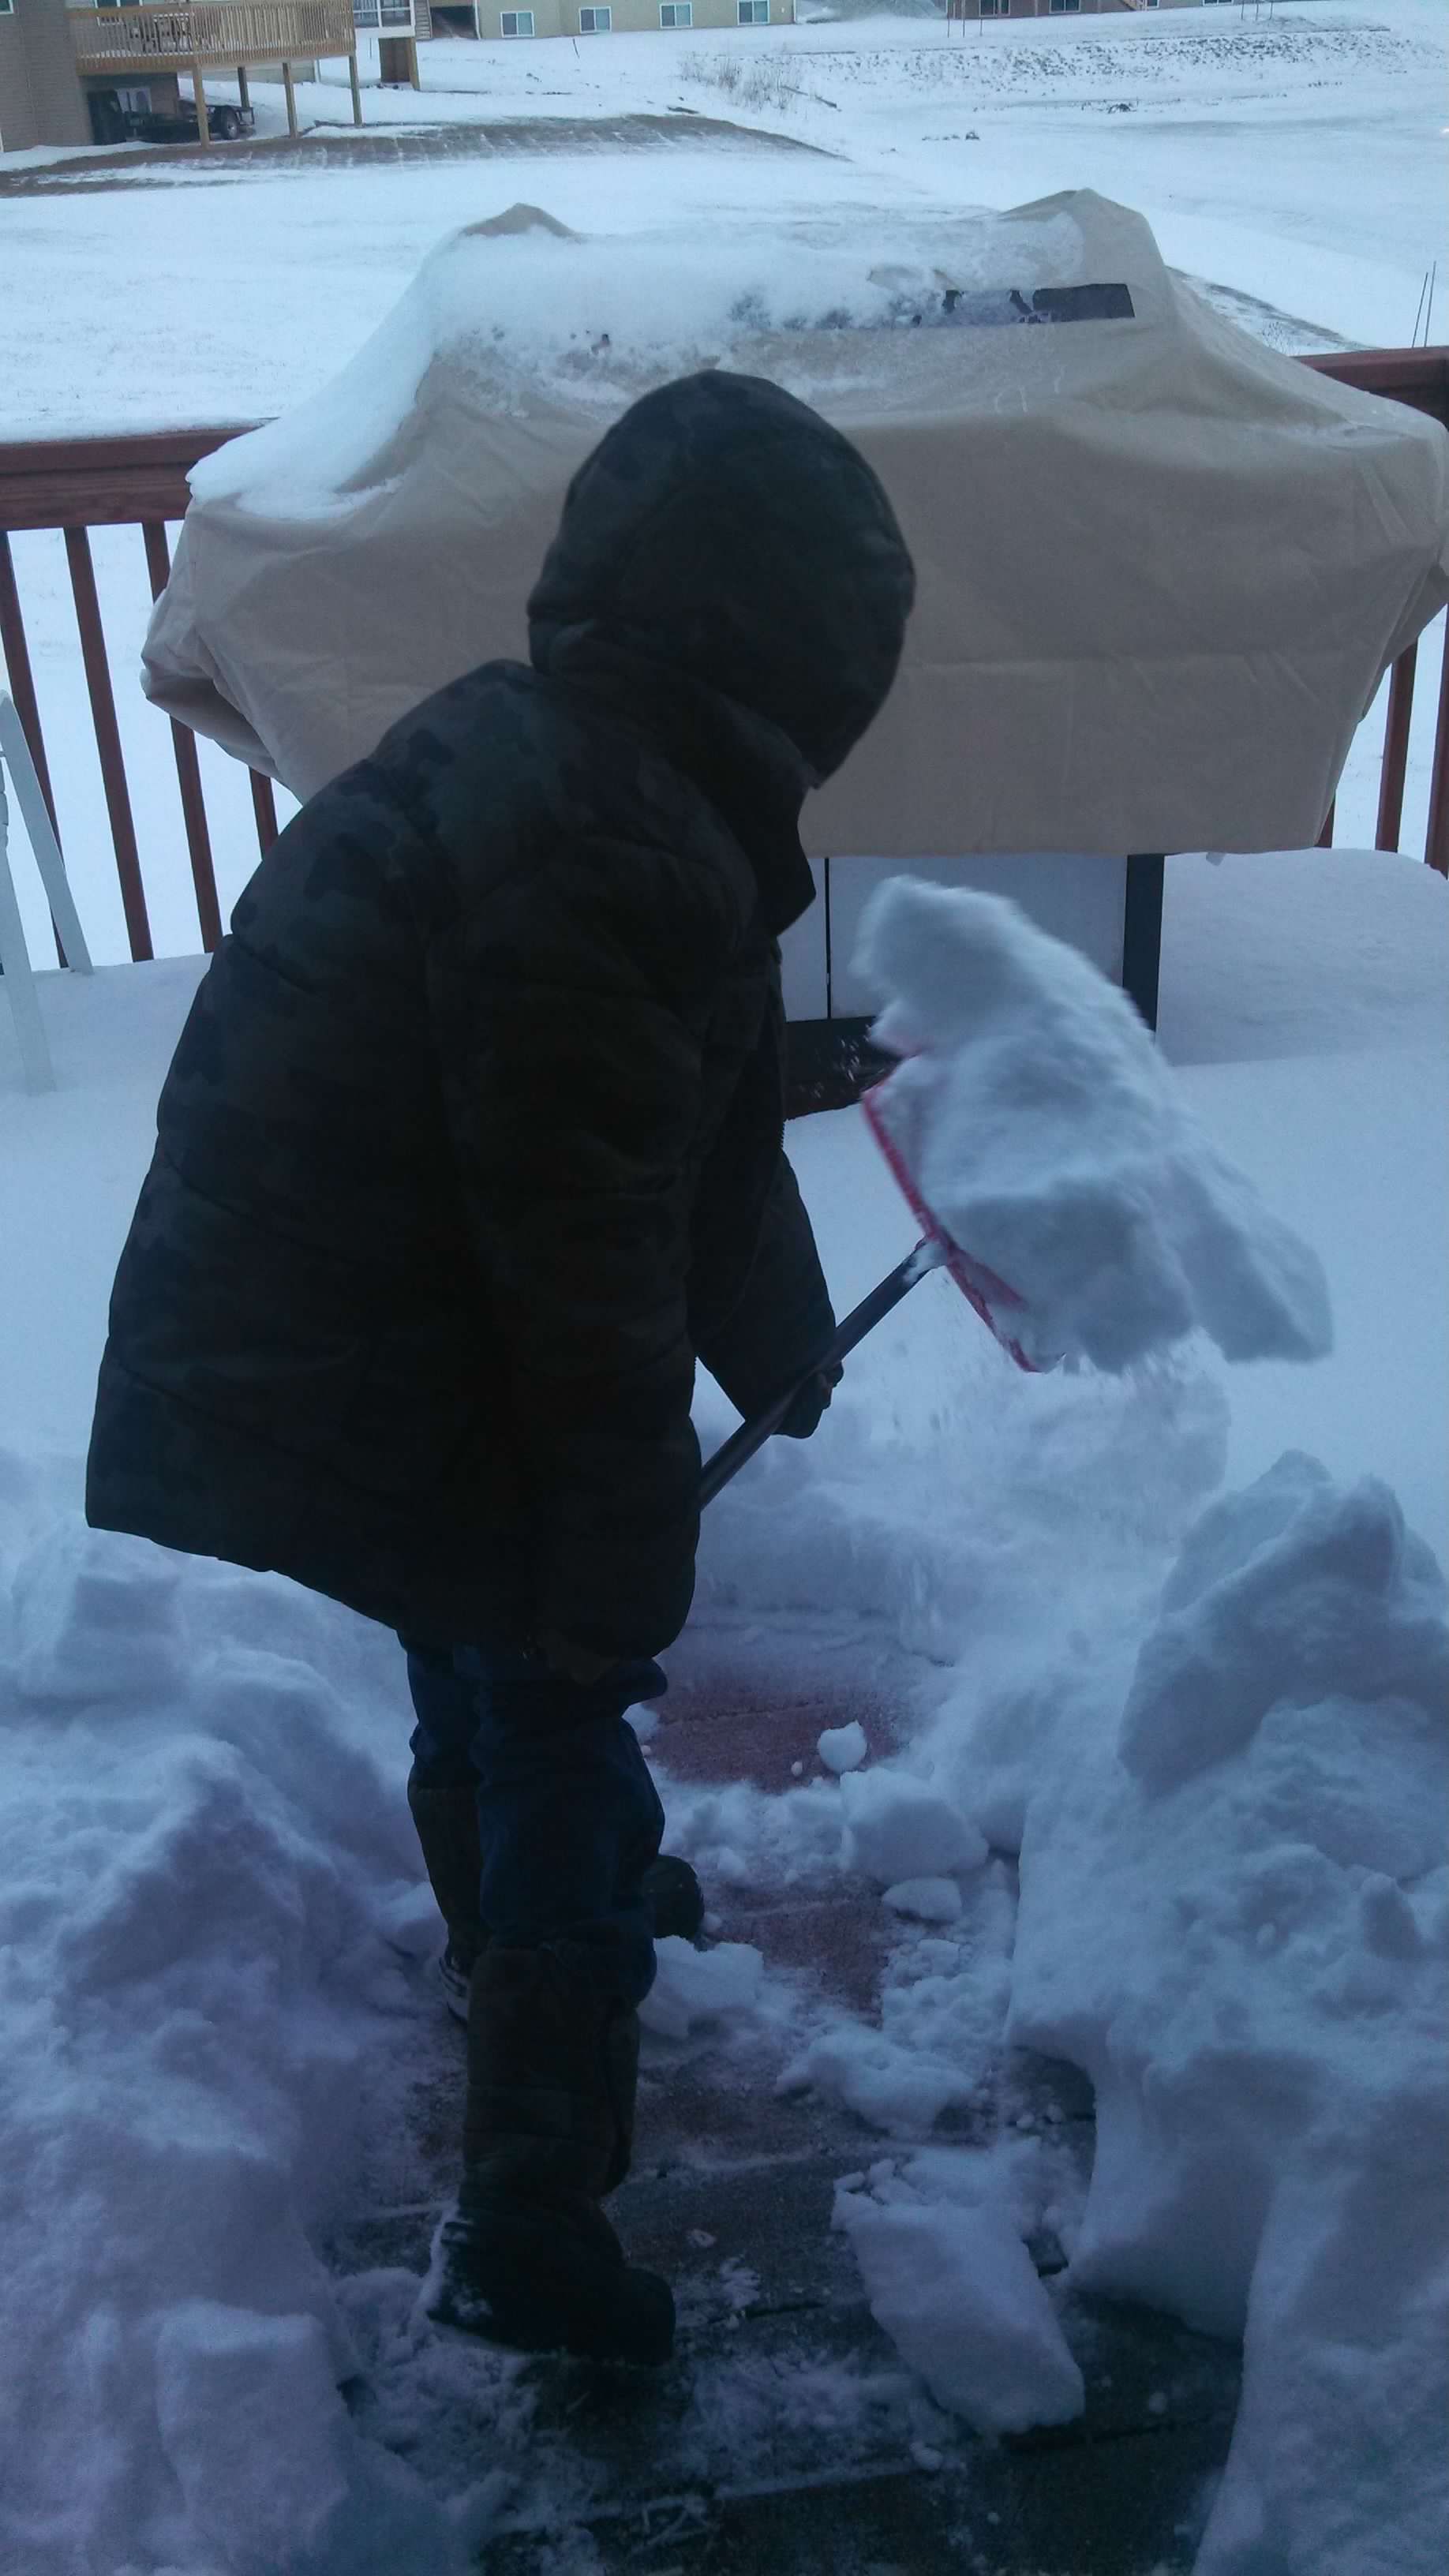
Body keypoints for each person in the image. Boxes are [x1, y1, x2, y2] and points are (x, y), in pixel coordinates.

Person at [86, 369, 915, 2368]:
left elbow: (689, 1138)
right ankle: (533, 2199)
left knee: (487, 1652)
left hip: (356, 1328)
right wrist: (616, 1555)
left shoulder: (595, 772)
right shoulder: (608, 845)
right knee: (551, 1687)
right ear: (793, 657)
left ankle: (534, 1922)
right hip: (379, 1344)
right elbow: (586, 1259)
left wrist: (777, 1340)